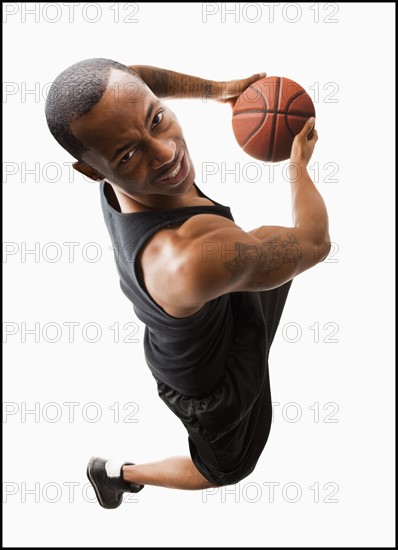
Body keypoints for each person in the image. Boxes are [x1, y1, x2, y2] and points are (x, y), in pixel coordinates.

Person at [45, 58, 331, 509]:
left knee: (259, 261)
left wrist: (222, 89)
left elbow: (136, 77)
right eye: (128, 155)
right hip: (209, 380)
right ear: (91, 171)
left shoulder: (110, 129)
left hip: (211, 300)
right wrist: (298, 167)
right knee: (226, 470)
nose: (165, 153)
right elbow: (315, 243)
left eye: (156, 119)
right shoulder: (191, 259)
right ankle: (116, 474)